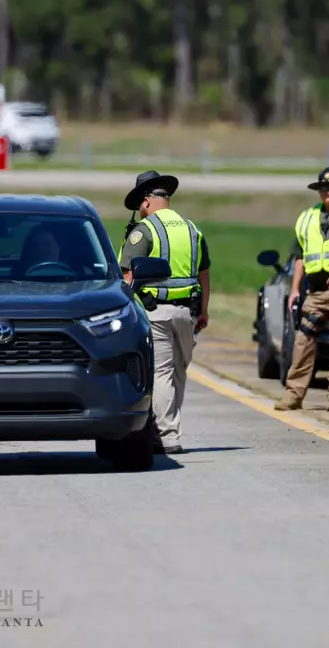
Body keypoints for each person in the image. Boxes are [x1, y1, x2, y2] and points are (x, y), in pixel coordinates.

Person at [118, 170, 210, 455]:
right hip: (188, 313)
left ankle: (166, 435)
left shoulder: (143, 231)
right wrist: (204, 310)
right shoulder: (192, 229)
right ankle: (170, 428)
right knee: (178, 372)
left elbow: (128, 277)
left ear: (146, 202)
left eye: (138, 207)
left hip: (155, 312)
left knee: (161, 373)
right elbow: (204, 273)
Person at [274, 167, 329, 412]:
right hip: (313, 291)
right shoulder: (307, 218)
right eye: (324, 189)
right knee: (303, 341)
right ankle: (294, 393)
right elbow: (299, 256)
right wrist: (295, 290)